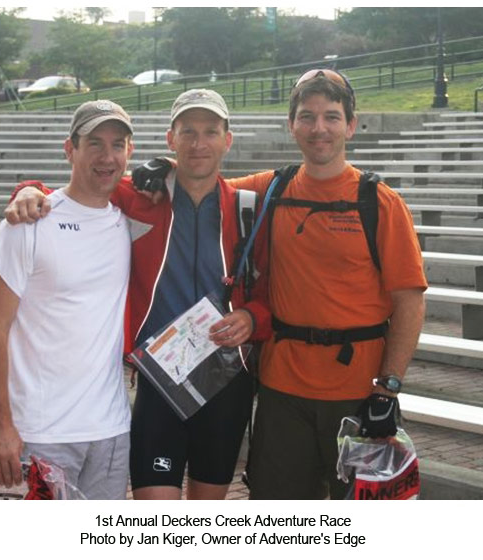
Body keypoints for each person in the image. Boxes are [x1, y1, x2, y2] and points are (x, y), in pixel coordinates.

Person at [131, 70, 428, 500]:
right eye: (307, 116)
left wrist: (389, 386)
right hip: (281, 393)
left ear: (351, 125)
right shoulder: (271, 189)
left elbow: (410, 302)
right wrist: (165, 168)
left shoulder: (379, 202)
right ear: (292, 125)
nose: (319, 128)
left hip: (356, 392)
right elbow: (204, 180)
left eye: (331, 116)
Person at [3, 89, 271, 500]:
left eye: (210, 132)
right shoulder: (140, 197)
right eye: (187, 132)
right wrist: (28, 189)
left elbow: (268, 295)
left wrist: (252, 318)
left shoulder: (245, 209)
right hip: (159, 383)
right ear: (170, 139)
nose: (198, 143)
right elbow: (76, 189)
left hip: (224, 383)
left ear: (227, 140)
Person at [0, 100, 135, 499]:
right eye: (94, 143)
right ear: (70, 149)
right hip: (38, 434)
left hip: (111, 431)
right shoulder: (27, 223)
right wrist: (0, 427)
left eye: (117, 144)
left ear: (129, 152)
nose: (107, 156)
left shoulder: (128, 222)